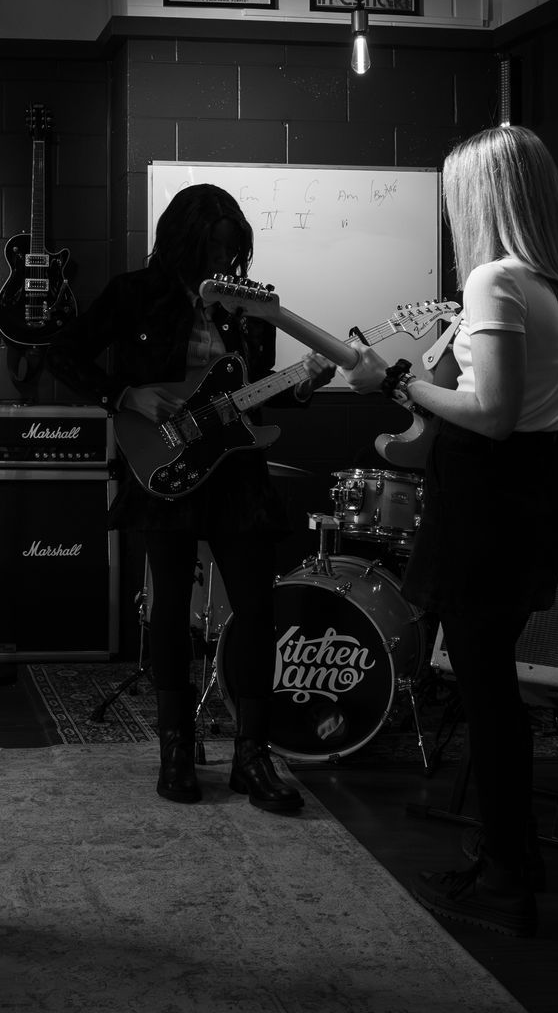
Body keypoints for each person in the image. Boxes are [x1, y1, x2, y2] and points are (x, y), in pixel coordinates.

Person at [345, 124, 558, 938]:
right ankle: (517, 859)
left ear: (481, 199)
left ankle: (503, 878)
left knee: (487, 693)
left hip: (484, 498)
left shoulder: (497, 280)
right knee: (497, 689)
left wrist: (391, 381)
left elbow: (489, 418)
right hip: (535, 496)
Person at [46, 185, 335, 815]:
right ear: (183, 240)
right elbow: (62, 353)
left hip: (236, 471)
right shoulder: (134, 293)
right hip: (166, 466)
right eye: (213, 250)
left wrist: (306, 383)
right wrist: (123, 394)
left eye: (232, 253)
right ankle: (175, 747)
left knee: (258, 610)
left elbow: (259, 391)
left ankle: (252, 757)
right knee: (170, 609)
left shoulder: (247, 305)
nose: (223, 265)